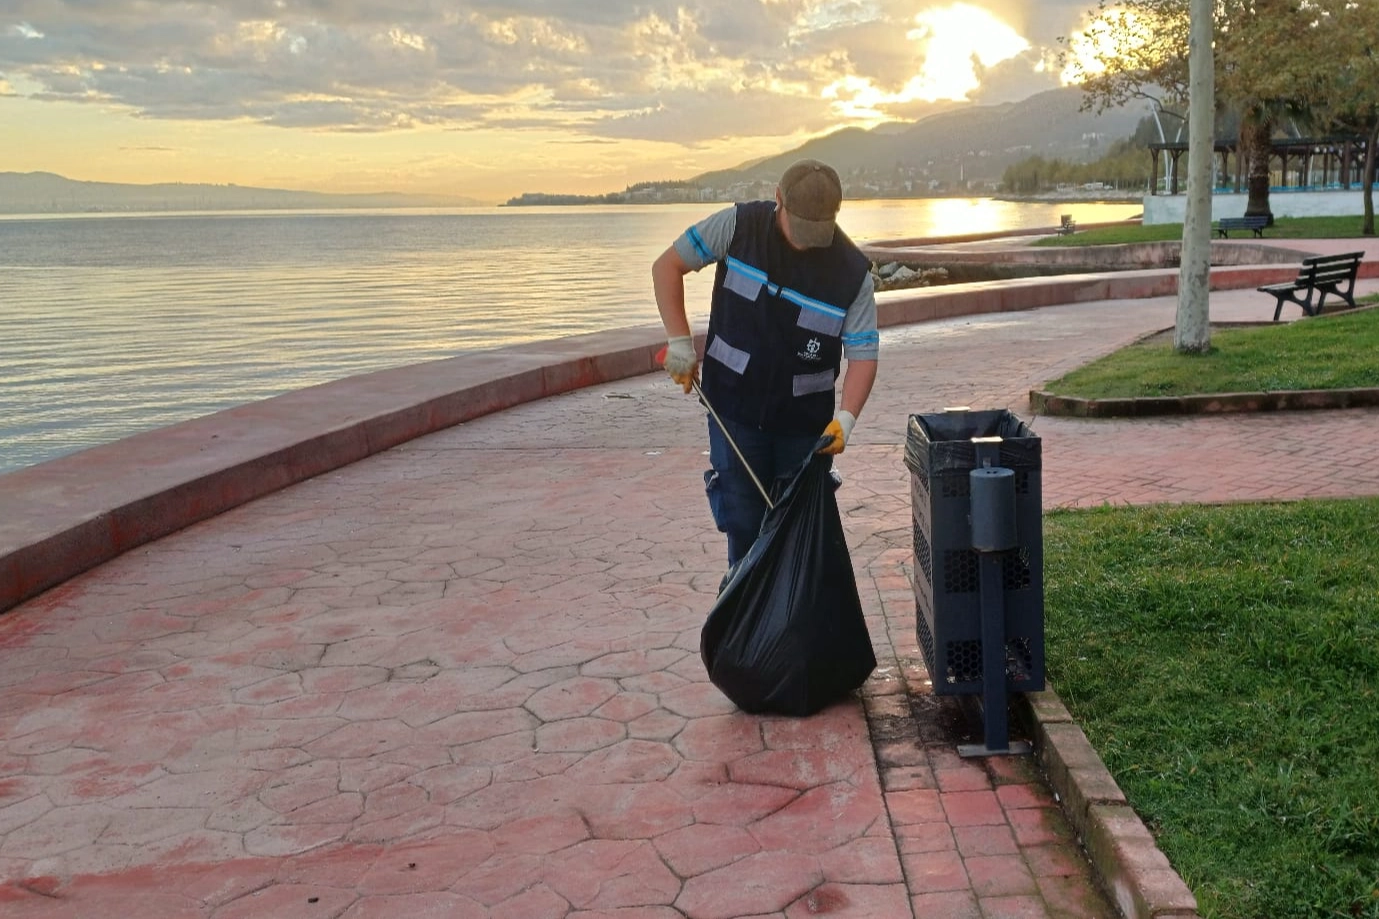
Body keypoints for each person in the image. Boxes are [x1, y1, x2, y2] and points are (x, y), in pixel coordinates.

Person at [652, 159, 879, 569]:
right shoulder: (738, 227)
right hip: (734, 412)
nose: (809, 243)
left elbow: (863, 354)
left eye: (819, 229)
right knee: (745, 524)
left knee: (800, 535)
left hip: (805, 428)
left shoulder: (852, 273)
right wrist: (679, 342)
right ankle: (744, 617)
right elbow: (667, 266)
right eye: (801, 227)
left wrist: (846, 419)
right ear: (779, 199)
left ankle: (793, 625)